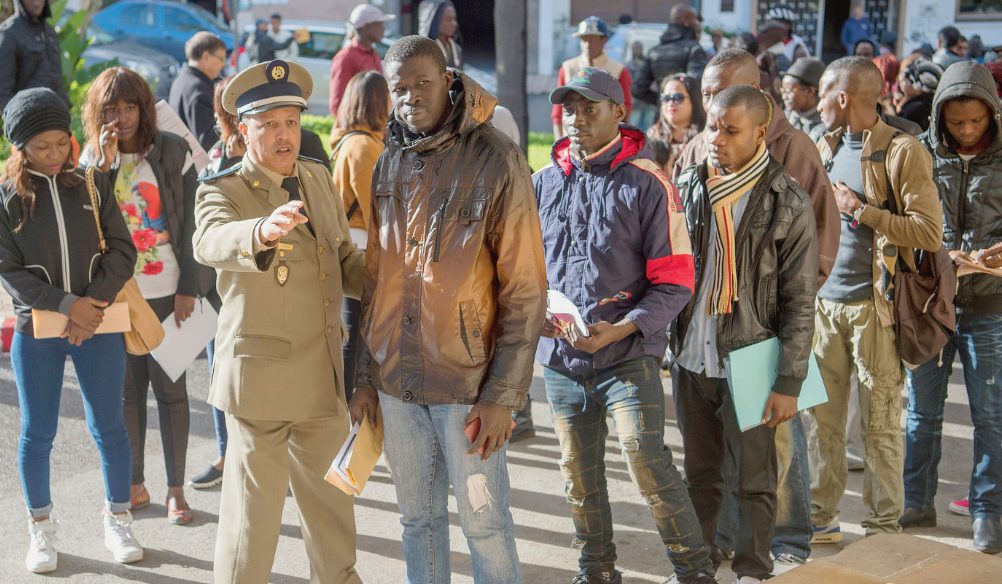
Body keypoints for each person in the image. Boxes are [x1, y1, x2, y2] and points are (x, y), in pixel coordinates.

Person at [348, 36, 546, 584]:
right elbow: (375, 279)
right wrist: (364, 376)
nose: (410, 96)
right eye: (399, 87)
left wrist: (503, 395)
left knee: (486, 525)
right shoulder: (388, 161)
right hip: (397, 382)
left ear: (448, 81)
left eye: (422, 83)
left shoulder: (497, 158)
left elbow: (526, 289)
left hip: (468, 386)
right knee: (418, 522)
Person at [535, 66, 716, 584]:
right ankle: (595, 570)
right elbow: (524, 271)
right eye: (569, 109)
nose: (576, 118)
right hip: (562, 359)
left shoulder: (649, 182)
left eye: (589, 108)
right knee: (577, 473)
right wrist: (536, 315)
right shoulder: (541, 182)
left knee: (645, 458)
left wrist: (623, 328)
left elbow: (676, 280)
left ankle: (695, 572)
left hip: (628, 354)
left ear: (619, 112)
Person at [194, 59, 366, 584]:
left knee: (333, 516)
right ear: (244, 130)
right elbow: (209, 241)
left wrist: (398, 281)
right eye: (269, 124)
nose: (283, 134)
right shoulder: (222, 189)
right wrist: (261, 231)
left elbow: (343, 261)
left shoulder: (316, 176)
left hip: (321, 375)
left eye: (291, 121)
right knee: (252, 525)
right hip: (261, 383)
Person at [674, 48, 838, 573]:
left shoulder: (787, 200)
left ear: (760, 133)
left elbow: (799, 301)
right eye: (712, 128)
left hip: (751, 358)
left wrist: (789, 380)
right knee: (700, 474)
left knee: (755, 479)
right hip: (693, 357)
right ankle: (699, 565)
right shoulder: (690, 186)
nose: (716, 140)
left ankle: (753, 567)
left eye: (730, 131)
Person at [0, 88, 142, 573]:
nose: (56, 153)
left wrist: (91, 305)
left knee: (110, 425)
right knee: (37, 433)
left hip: (97, 321)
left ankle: (118, 519)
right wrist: (67, 307)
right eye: (42, 146)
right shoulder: (6, 196)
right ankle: (41, 530)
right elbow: (8, 270)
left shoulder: (92, 183)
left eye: (62, 142)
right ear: (19, 147)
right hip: (37, 328)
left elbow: (123, 250)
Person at [809, 56, 943, 543]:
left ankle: (882, 531)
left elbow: (928, 232)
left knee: (881, 426)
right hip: (824, 308)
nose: (817, 103)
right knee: (821, 425)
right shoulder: (823, 146)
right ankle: (821, 520)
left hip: (876, 310)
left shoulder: (903, 151)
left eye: (823, 93)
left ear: (843, 97)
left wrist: (861, 210)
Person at [81, 66, 215, 526]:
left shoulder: (173, 151)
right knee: (127, 394)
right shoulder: (91, 159)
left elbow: (194, 223)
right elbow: (87, 222)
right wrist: (103, 165)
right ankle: (134, 486)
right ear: (98, 114)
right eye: (111, 109)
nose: (121, 117)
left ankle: (176, 491)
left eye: (130, 107)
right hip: (118, 295)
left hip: (169, 291)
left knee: (171, 392)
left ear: (144, 108)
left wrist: (188, 286)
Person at [903, 61, 1002, 555]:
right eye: (956, 121)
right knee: (922, 413)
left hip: (990, 305)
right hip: (929, 303)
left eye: (976, 121)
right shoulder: (918, 153)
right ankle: (916, 502)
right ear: (939, 115)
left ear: (993, 114)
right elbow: (904, 219)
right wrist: (942, 254)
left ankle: (987, 512)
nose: (966, 130)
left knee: (991, 415)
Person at [329, 70, 388, 404]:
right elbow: (376, 210)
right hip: (363, 245)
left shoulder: (350, 141)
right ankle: (350, 410)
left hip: (351, 242)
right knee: (356, 336)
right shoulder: (364, 146)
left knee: (353, 333)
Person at [551, 16, 632, 139]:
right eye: (584, 40)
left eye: (592, 40)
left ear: (604, 40)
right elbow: (558, 111)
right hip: (572, 139)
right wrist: (558, 141)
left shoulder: (619, 70)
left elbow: (626, 109)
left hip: (605, 139)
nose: (587, 45)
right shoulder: (568, 67)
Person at [631, 3, 707, 107]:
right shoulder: (694, 49)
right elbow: (697, 87)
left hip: (663, 114)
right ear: (686, 21)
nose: (698, 23)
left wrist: (663, 100)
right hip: (687, 114)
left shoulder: (654, 52)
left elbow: (637, 89)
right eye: (696, 19)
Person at [0, 0, 68, 111]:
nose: (36, 3)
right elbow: (3, 94)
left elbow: (58, 81)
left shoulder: (49, 32)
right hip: (28, 116)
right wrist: (21, 116)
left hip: (56, 114)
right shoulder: (9, 34)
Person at [329, 3, 394, 116]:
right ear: (367, 26)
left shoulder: (373, 53)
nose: (383, 29)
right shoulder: (346, 57)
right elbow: (337, 103)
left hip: (378, 124)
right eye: (379, 24)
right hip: (360, 125)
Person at [169, 31, 228, 154]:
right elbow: (208, 143)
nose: (223, 64)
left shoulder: (182, 79)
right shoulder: (198, 89)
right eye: (221, 58)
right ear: (206, 56)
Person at [646, 73, 705, 172]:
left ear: (694, 100)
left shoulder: (706, 135)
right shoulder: (652, 136)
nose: (670, 103)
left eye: (677, 98)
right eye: (665, 98)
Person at [782, 57, 827, 141]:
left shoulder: (825, 122)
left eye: (789, 91)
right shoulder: (785, 117)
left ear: (810, 91)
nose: (784, 97)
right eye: (783, 91)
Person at [895, 58, 942, 132]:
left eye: (906, 79)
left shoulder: (913, 110)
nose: (903, 84)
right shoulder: (938, 104)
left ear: (915, 84)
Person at [418, 1, 462, 68]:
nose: (454, 23)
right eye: (449, 19)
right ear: (435, 21)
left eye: (454, 19)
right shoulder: (424, 53)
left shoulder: (456, 50)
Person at [627, 42, 658, 130]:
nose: (637, 50)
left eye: (639, 48)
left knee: (649, 127)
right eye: (635, 48)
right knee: (634, 125)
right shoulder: (629, 65)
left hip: (649, 101)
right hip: (636, 101)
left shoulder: (648, 62)